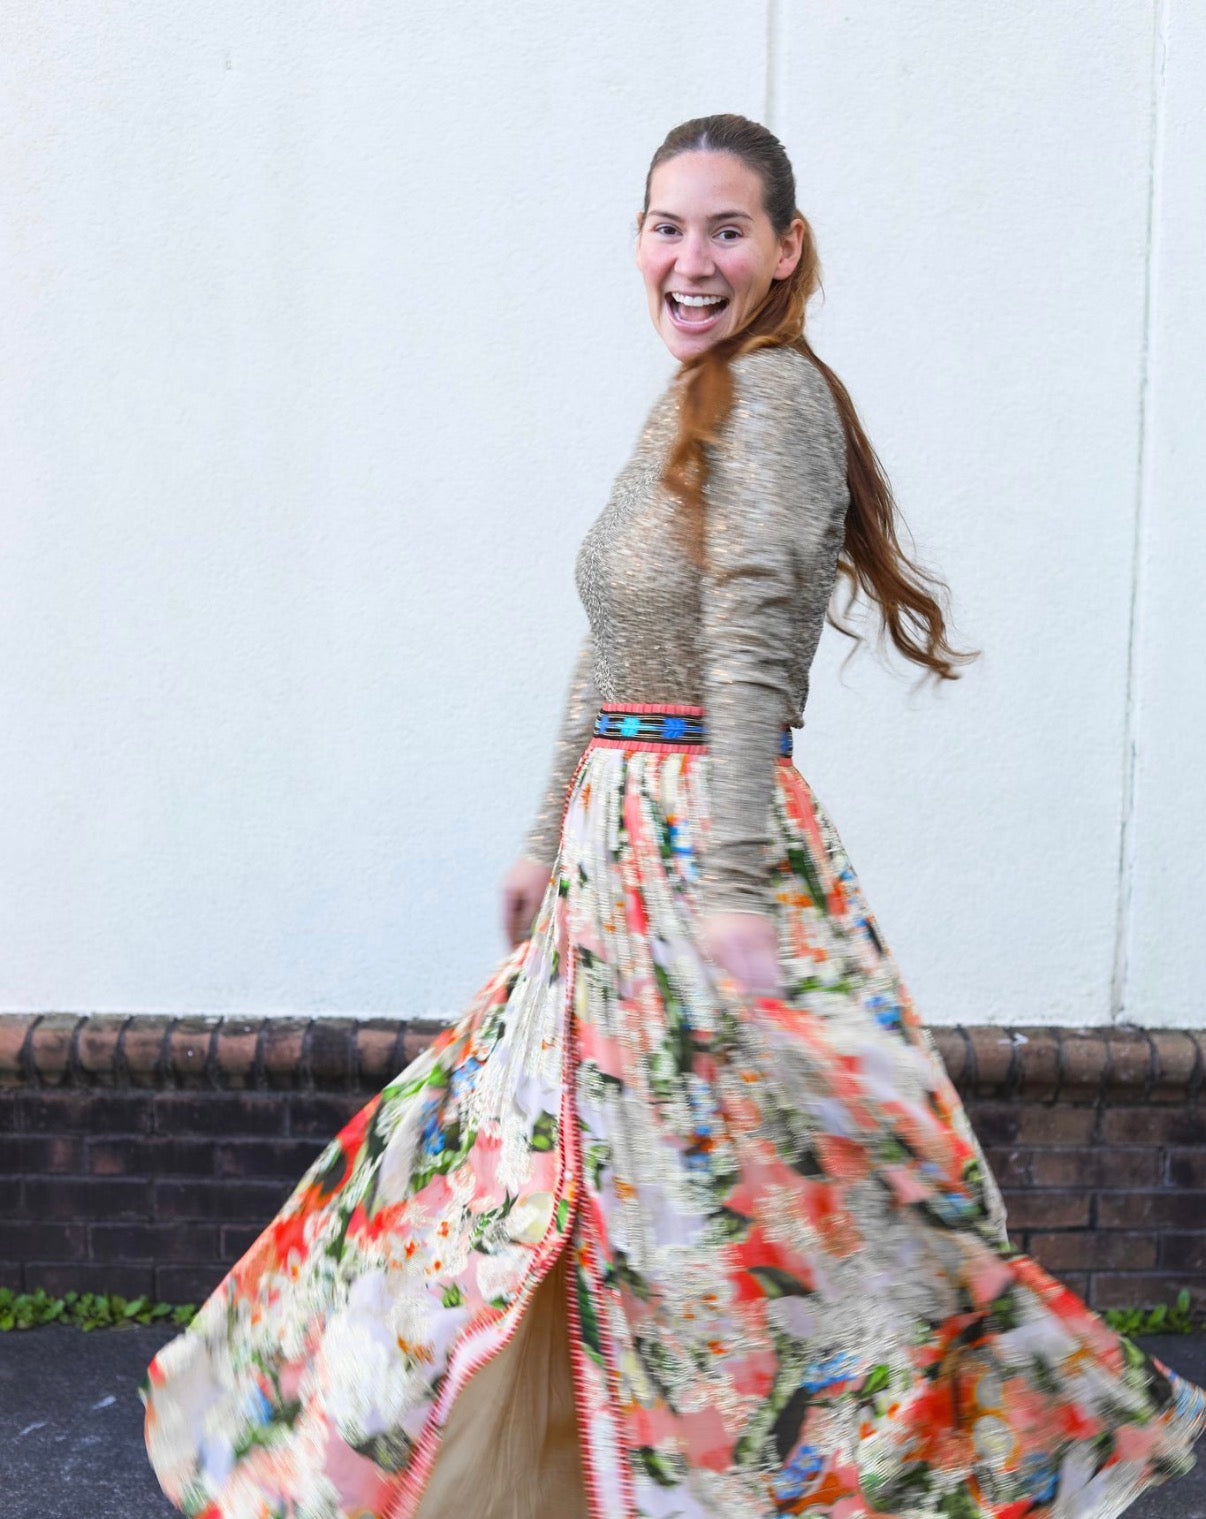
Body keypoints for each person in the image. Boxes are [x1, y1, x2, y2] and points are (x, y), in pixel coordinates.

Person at [142, 113, 1204, 1519]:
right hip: (612, 860)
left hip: (701, 846)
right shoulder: (689, 400)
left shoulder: (775, 399)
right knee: (560, 1179)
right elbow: (611, 639)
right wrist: (543, 838)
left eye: (724, 230)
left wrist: (738, 884)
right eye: (665, 226)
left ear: (785, 248)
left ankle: (832, 1470)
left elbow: (751, 636)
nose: (690, 260)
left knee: (743, 1208)